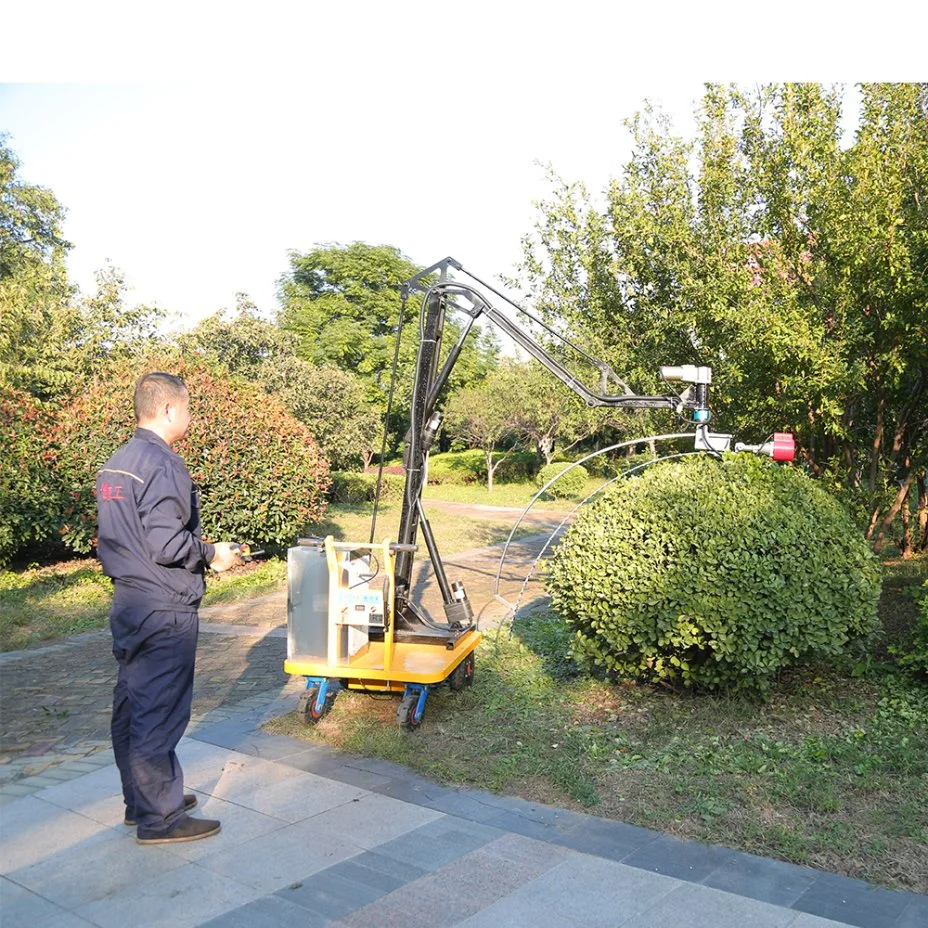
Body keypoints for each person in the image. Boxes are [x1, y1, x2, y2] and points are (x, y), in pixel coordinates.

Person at [95, 372, 243, 845]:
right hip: (164, 605)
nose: (191, 416)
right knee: (159, 711)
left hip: (130, 602)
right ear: (168, 410)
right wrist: (212, 553)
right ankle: (161, 819)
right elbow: (165, 541)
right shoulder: (162, 463)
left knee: (133, 705)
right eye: (189, 407)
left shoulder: (118, 462)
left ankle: (142, 803)